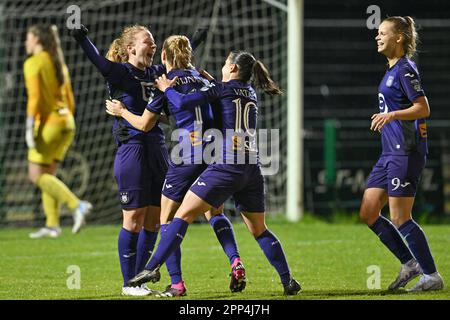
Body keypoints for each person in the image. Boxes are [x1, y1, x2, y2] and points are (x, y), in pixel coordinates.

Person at [126, 50, 301, 295]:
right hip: (252, 167)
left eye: (225, 62)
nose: (222, 65)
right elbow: (225, 93)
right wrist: (210, 81)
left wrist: (166, 88)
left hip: (226, 165)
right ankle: (288, 281)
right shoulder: (249, 92)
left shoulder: (222, 89)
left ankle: (152, 268)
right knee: (259, 229)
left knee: (181, 215)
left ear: (232, 69)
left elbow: (182, 103)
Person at [72, 25, 208, 296]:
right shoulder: (120, 72)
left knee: (154, 221)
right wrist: (81, 36)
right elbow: (97, 59)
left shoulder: (157, 73)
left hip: (157, 148)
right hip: (131, 148)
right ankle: (127, 283)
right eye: (148, 42)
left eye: (155, 43)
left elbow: (175, 57)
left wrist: (195, 39)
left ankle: (139, 280)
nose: (154, 46)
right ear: (131, 48)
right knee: (133, 219)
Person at [105, 35, 246, 297]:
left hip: (187, 154)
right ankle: (235, 260)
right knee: (214, 212)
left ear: (163, 58)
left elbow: (145, 124)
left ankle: (177, 283)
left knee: (166, 219)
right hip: (215, 154)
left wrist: (122, 112)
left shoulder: (166, 84)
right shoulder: (205, 81)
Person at [360, 16, 444, 292]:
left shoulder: (406, 69)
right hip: (389, 153)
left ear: (399, 38)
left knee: (400, 217)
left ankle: (431, 275)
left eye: (383, 32)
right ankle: (410, 263)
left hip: (406, 151)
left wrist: (392, 115)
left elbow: (423, 108)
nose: (377, 36)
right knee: (370, 210)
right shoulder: (391, 70)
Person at [24, 24, 92, 239]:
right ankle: (52, 225)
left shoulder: (34, 62)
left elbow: (35, 97)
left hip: (49, 124)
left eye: (28, 37)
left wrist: (29, 125)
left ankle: (76, 204)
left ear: (37, 39)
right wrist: (67, 120)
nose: (26, 42)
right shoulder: (58, 61)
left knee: (36, 175)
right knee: (49, 175)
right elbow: (69, 97)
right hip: (66, 121)